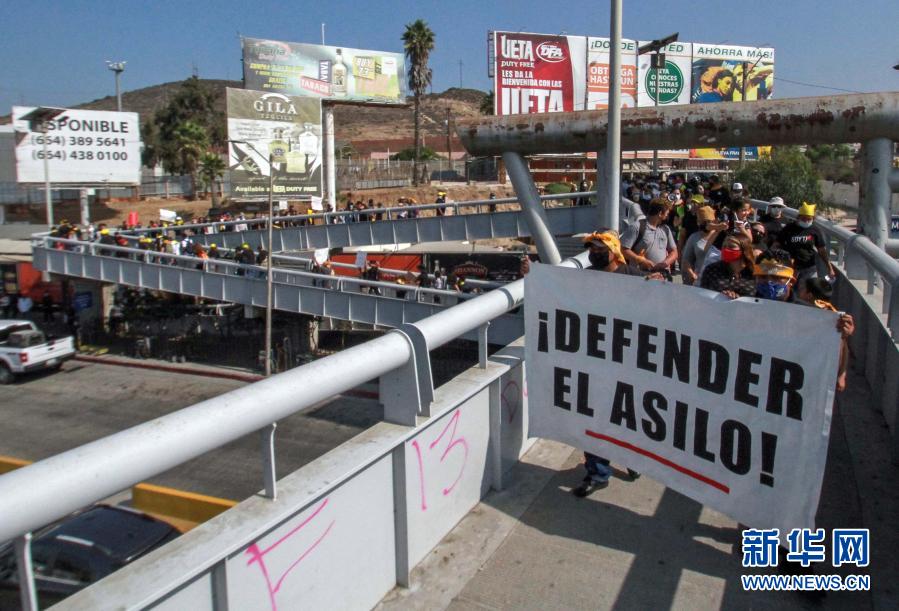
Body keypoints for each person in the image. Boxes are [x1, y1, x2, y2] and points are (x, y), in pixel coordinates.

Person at [572, 231, 641, 497]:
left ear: (613, 252)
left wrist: (658, 284)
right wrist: (533, 276)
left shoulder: (634, 277)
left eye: (599, 249)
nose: (594, 253)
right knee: (594, 416)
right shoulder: (585, 278)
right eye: (591, 249)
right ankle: (597, 472)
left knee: (628, 415)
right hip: (594, 359)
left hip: (628, 361)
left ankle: (632, 458)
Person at [775, 202, 835, 282]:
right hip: (790, 267)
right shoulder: (788, 228)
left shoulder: (815, 230)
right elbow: (777, 244)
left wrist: (830, 268)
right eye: (804, 218)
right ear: (798, 217)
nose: (806, 221)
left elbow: (822, 251)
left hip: (809, 268)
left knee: (810, 287)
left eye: (809, 219)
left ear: (813, 219)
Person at [620, 199, 678, 277]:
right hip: (640, 276)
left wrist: (664, 263)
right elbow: (622, 249)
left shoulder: (666, 229)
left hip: (662, 276)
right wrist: (640, 260)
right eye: (667, 213)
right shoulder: (637, 227)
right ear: (660, 213)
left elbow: (674, 252)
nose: (667, 216)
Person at [700, 234, 757, 299]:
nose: (726, 249)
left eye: (731, 246)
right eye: (724, 246)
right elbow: (702, 295)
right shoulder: (711, 269)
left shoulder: (755, 271)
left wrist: (739, 299)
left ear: (744, 250)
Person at [681, 206, 726, 285]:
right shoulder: (694, 237)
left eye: (709, 221)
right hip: (699, 280)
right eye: (703, 222)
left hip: (718, 280)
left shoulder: (720, 236)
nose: (707, 224)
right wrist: (692, 275)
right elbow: (686, 260)